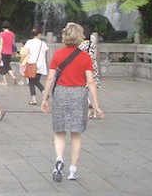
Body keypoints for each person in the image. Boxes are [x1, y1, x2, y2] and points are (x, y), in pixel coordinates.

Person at [41, 22, 104, 183]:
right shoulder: (85, 57)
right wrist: (96, 106)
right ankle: (72, 169)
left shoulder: (58, 54)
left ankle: (59, 159)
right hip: (78, 94)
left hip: (61, 93)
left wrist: (45, 98)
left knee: (59, 131)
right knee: (76, 133)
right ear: (80, 38)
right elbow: (91, 82)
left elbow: (50, 78)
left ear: (65, 37)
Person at [79, 33, 101, 119]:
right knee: (92, 88)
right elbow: (94, 55)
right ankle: (95, 110)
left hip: (85, 67)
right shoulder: (92, 44)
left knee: (84, 88)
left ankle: (89, 105)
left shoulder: (82, 44)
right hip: (93, 66)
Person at [24, 27, 48, 105]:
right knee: (36, 81)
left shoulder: (29, 42)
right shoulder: (43, 43)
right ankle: (44, 92)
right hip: (40, 65)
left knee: (32, 82)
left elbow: (25, 52)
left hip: (31, 64)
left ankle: (34, 99)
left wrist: (22, 60)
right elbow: (45, 54)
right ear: (39, 34)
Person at [0, 21, 18, 85]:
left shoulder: (2, 34)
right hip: (9, 52)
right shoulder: (12, 34)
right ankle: (13, 76)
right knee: (7, 66)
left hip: (3, 52)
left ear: (2, 27)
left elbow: (1, 44)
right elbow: (13, 43)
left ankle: (5, 81)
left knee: (3, 66)